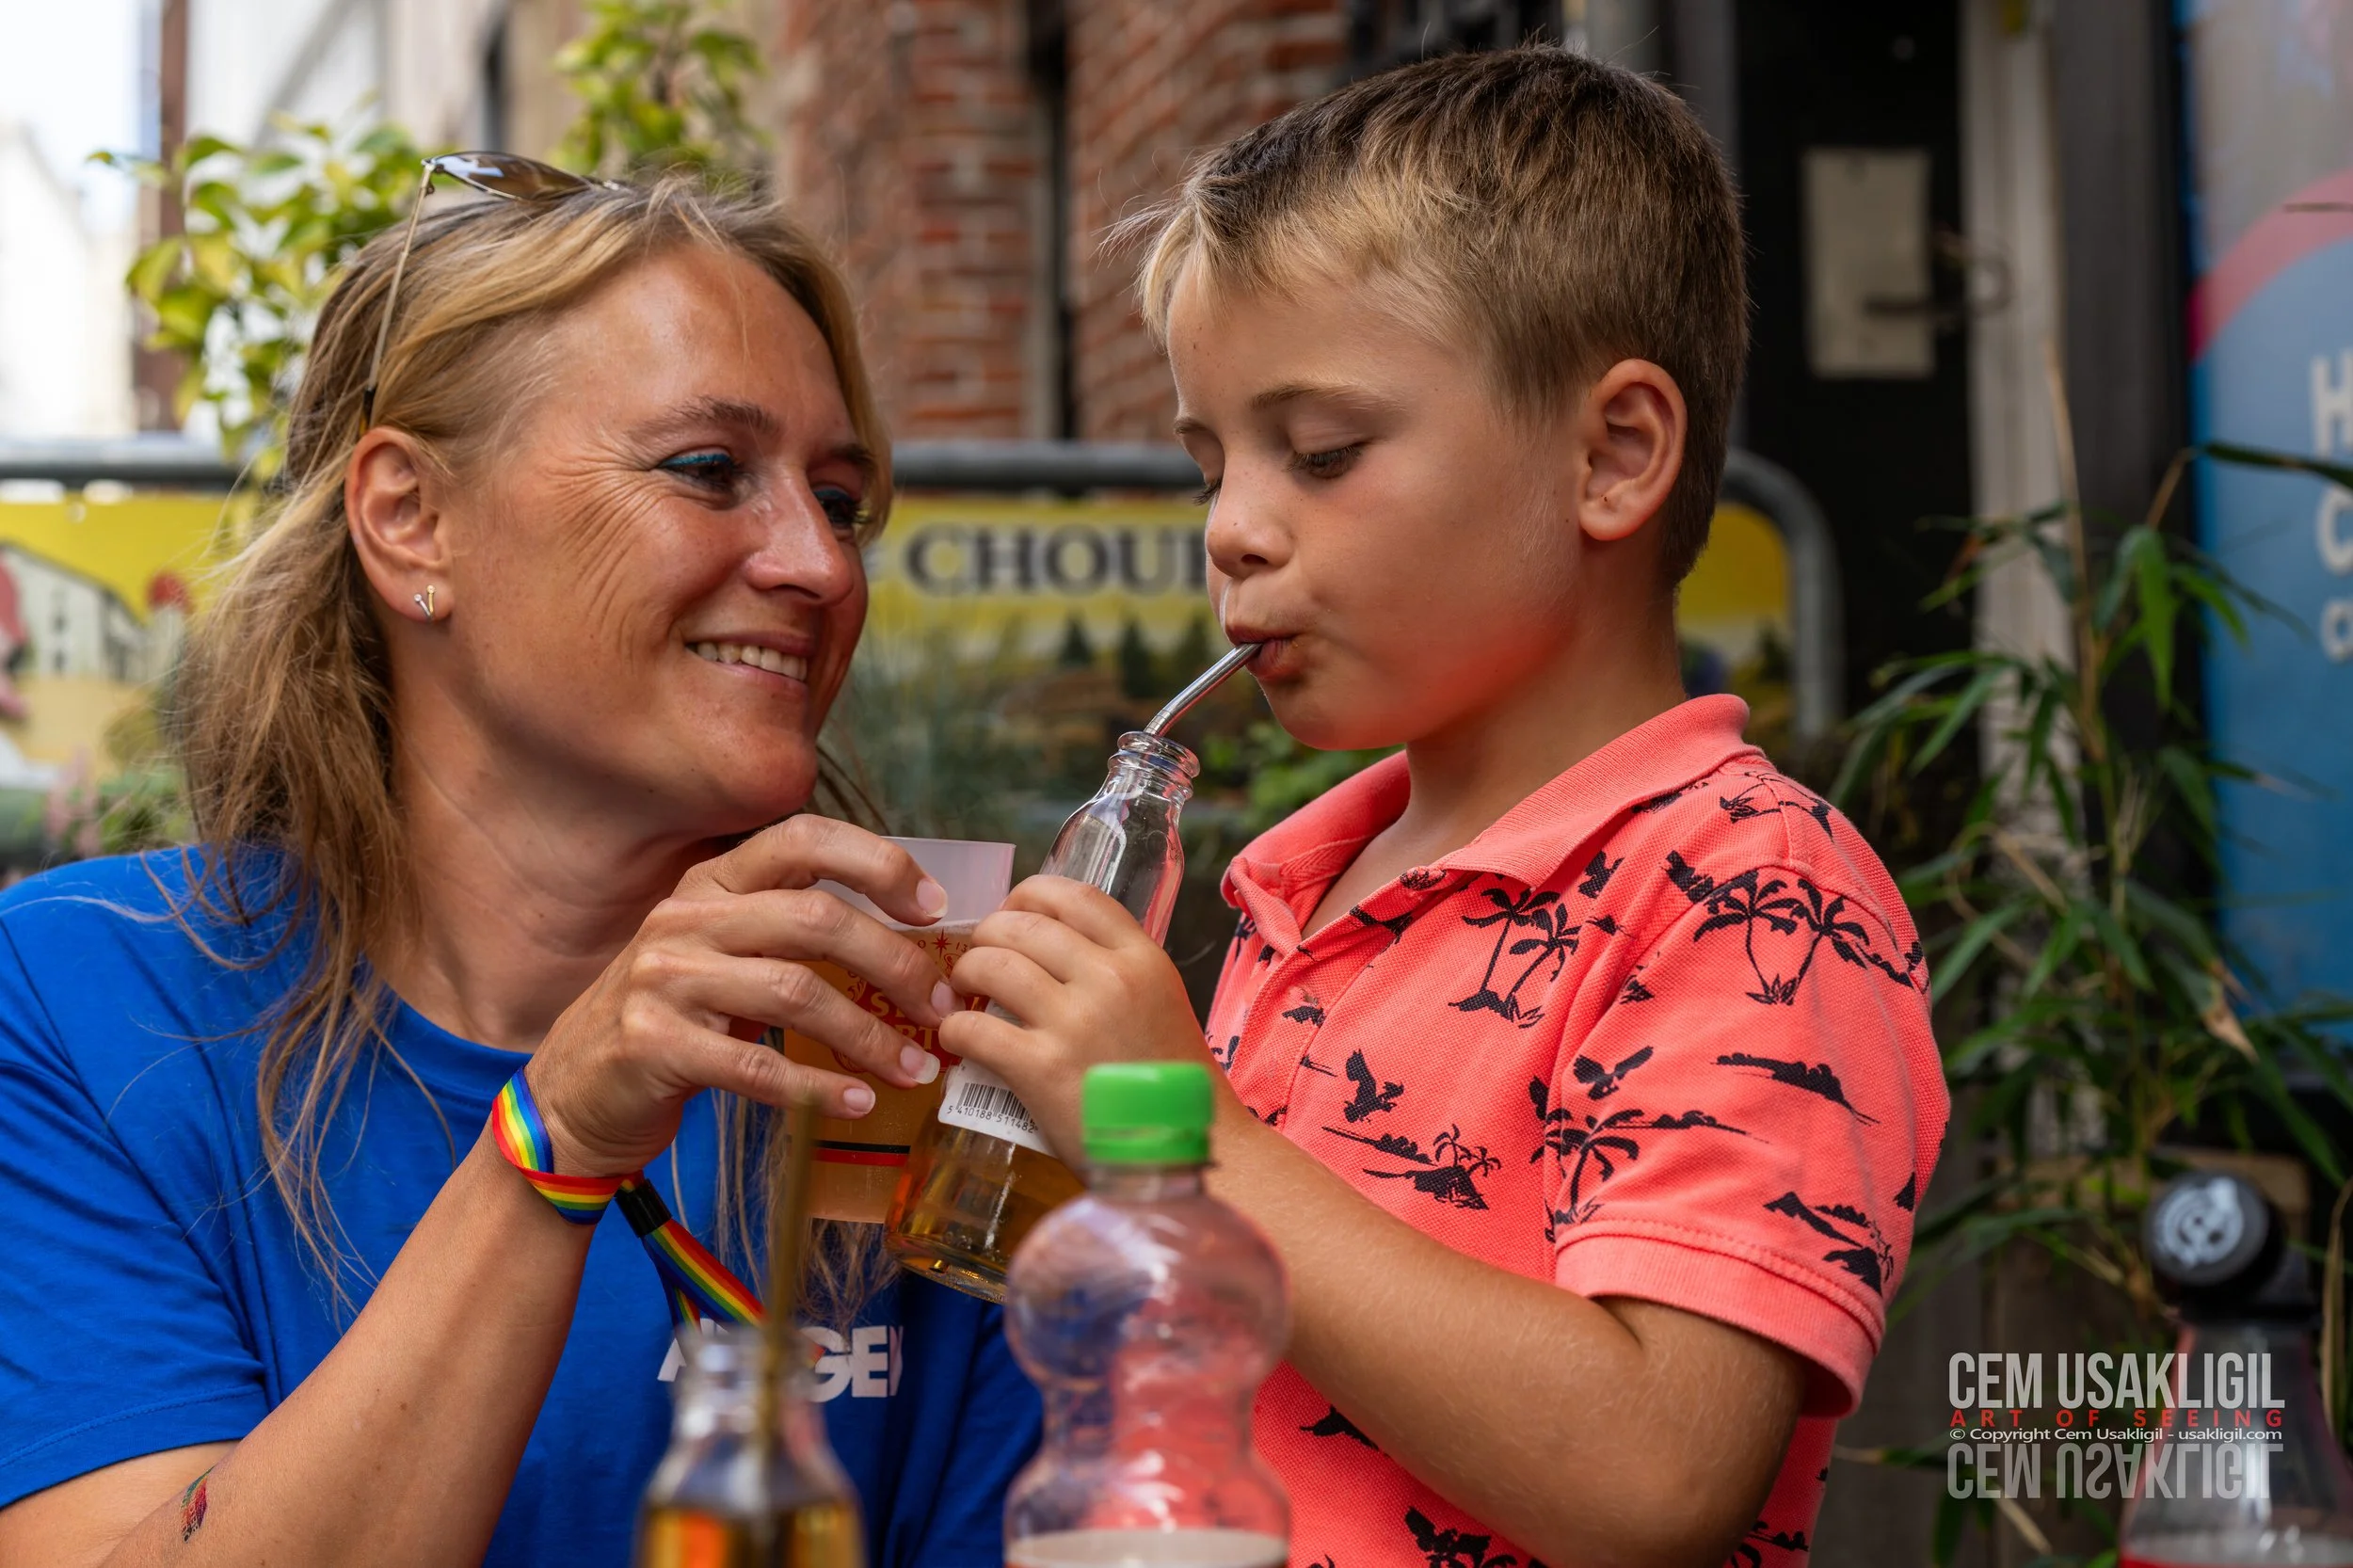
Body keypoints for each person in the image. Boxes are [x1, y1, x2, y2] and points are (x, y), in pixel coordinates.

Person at [940, 46, 1948, 1568]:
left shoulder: (1751, 887)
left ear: (1612, 455)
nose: (1232, 529)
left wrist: (1186, 1133)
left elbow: (1659, 1472)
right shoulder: (1305, 881)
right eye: (1211, 466)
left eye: (1322, 453)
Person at [0, 171, 1036, 1567]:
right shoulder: (84, 999)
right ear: (411, 518)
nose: (820, 565)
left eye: (839, 499)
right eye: (708, 469)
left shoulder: (908, 1041)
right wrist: (554, 1138)